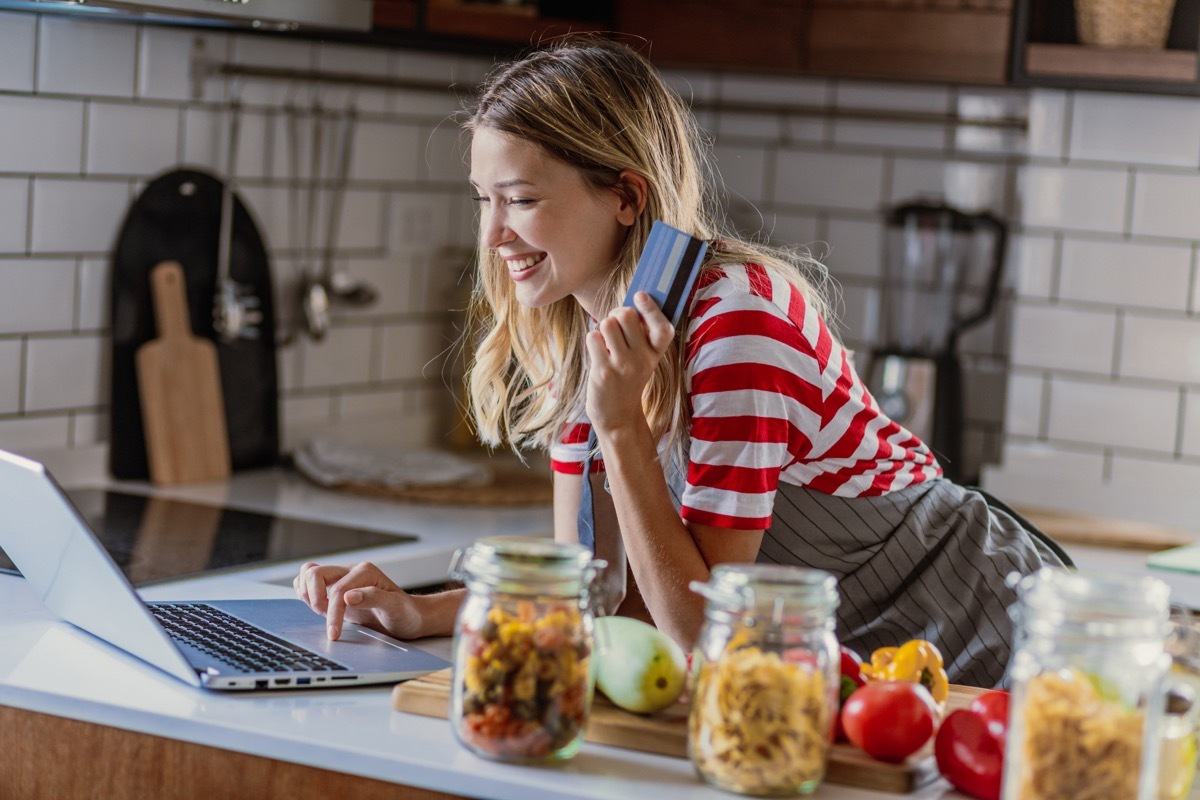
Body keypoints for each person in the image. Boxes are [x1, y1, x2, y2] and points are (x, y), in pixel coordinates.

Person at [293, 35, 1069, 688]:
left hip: (1008, 637)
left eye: (520, 200)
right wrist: (417, 610)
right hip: (869, 669)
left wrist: (623, 431)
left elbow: (702, 635)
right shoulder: (590, 335)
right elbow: (593, 595)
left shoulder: (739, 322)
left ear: (626, 197)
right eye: (481, 200)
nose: (493, 234)